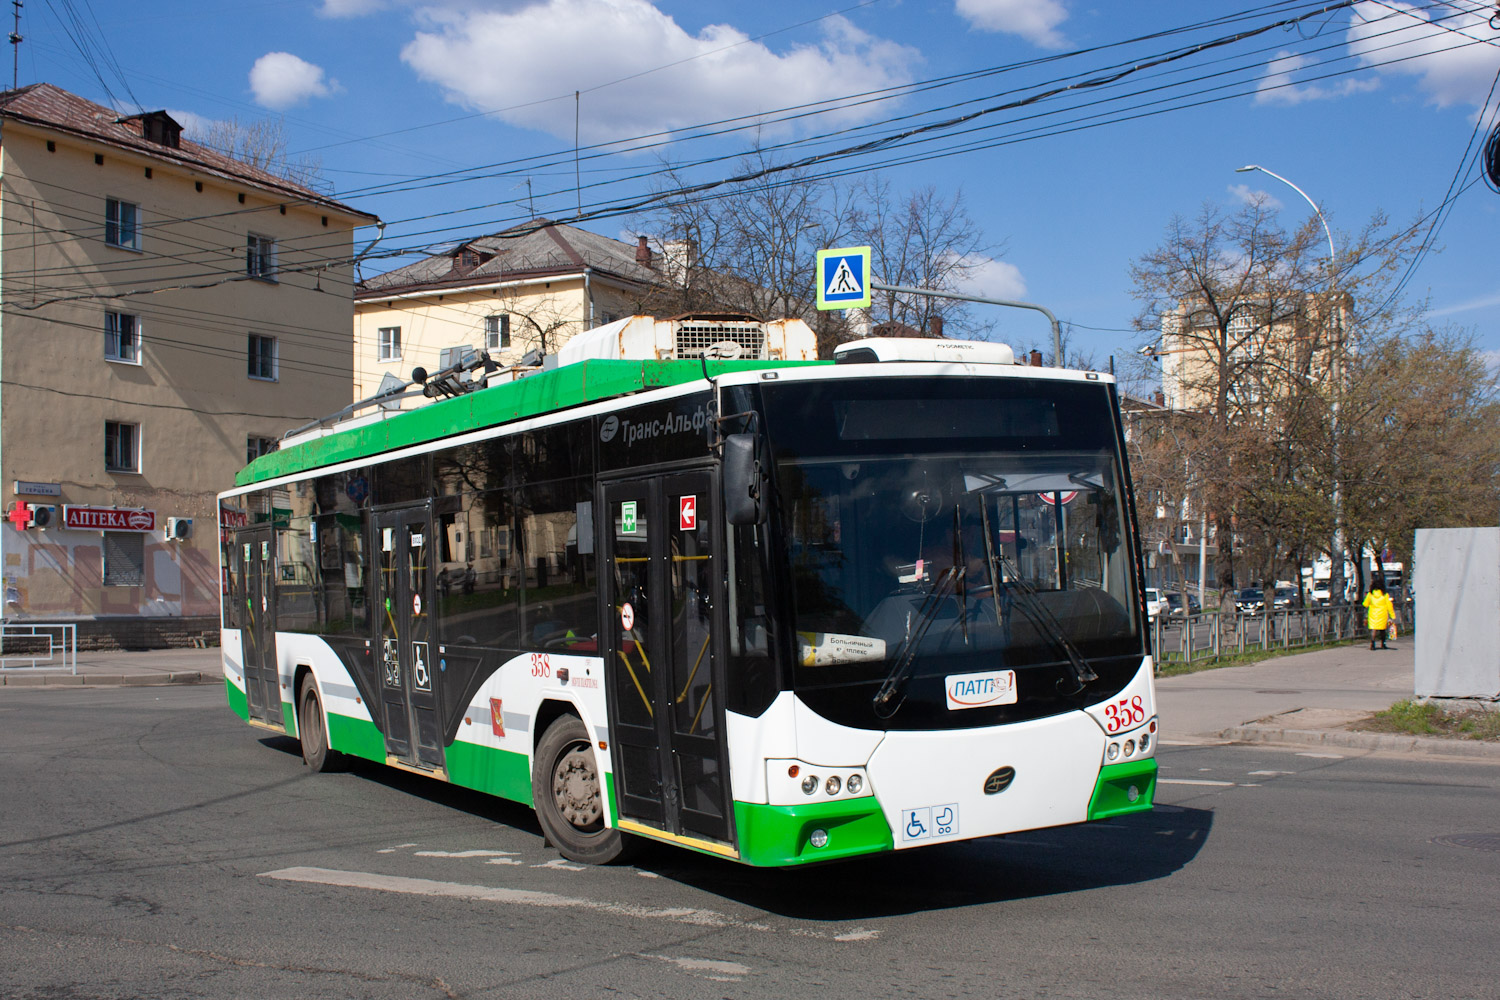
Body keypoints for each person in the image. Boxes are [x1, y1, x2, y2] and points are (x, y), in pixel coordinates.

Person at [1363, 584, 1395, 650]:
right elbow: (1389, 605)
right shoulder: (1385, 595)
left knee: (1374, 629)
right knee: (1382, 629)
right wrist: (1392, 615)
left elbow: (1365, 604)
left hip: (1373, 614)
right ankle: (1383, 644)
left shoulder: (1370, 594)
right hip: (1382, 614)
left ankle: (1372, 644)